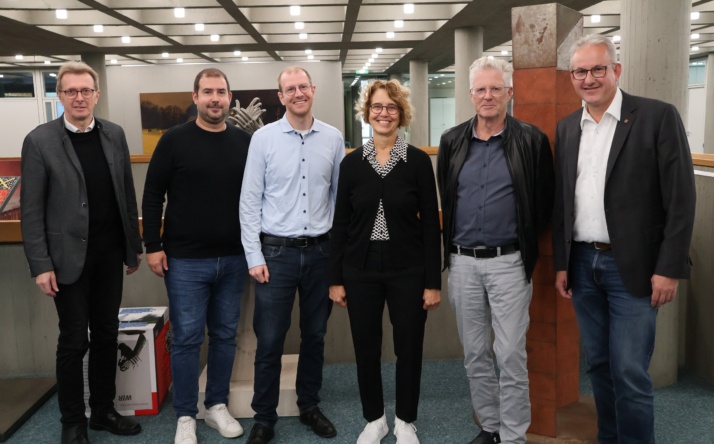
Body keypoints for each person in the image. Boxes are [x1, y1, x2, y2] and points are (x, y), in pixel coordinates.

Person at [553, 35, 696, 444]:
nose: (589, 78)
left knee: (630, 371)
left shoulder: (656, 117)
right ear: (572, 78)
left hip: (633, 267)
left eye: (598, 69)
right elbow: (564, 202)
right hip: (582, 264)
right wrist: (563, 263)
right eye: (580, 71)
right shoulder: (567, 127)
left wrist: (668, 268)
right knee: (598, 364)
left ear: (616, 70)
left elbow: (681, 199)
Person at [20, 61, 143, 444]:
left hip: (109, 255)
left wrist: (132, 248)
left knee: (107, 335)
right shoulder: (40, 140)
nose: (79, 97)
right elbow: (31, 210)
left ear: (96, 94)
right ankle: (72, 421)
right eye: (71, 91)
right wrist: (40, 264)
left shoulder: (114, 134)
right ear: (60, 96)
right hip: (66, 261)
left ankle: (103, 411)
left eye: (85, 90)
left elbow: (125, 192)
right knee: (74, 340)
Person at [437, 57, 554, 444]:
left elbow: (542, 205)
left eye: (495, 89)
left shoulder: (531, 141)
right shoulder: (452, 141)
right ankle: (490, 427)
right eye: (480, 90)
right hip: (463, 263)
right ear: (471, 95)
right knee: (475, 354)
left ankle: (514, 436)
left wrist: (518, 247)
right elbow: (448, 199)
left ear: (509, 92)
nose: (487, 96)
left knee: (509, 354)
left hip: (509, 263)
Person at [142, 68, 252, 444]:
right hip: (185, 260)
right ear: (195, 97)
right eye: (208, 92)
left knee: (224, 335)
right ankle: (186, 414)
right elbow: (153, 195)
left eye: (221, 92)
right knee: (187, 338)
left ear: (229, 96)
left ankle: (215, 405)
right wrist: (152, 246)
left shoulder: (244, 141)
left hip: (235, 258)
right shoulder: (174, 140)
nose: (215, 99)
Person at [328, 79, 441, 444]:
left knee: (409, 346)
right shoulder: (352, 164)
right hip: (359, 270)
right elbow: (340, 224)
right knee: (366, 346)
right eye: (377, 107)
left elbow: (430, 225)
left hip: (408, 268)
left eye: (391, 107)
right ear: (367, 112)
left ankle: (406, 420)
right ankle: (374, 419)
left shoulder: (418, 162)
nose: (383, 113)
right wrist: (336, 278)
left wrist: (432, 281)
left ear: (401, 114)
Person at [240, 66, 344, 444]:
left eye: (303, 86)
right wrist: (254, 254)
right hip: (276, 254)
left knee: (314, 335)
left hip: (321, 253)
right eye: (290, 89)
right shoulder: (264, 139)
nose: (298, 93)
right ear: (280, 96)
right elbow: (249, 200)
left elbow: (339, 199)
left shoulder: (333, 138)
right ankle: (264, 418)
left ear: (313, 91)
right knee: (270, 339)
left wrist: (339, 258)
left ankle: (309, 406)